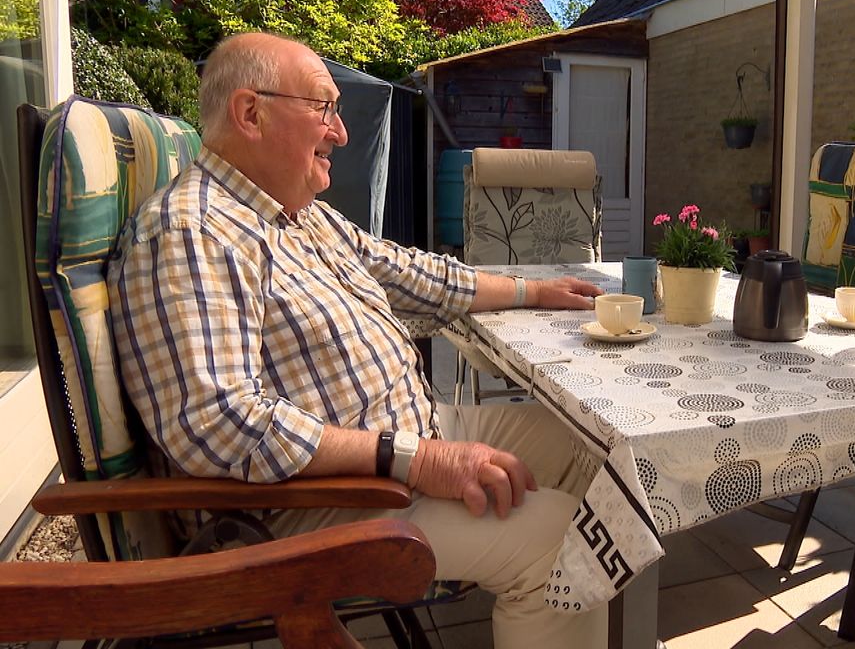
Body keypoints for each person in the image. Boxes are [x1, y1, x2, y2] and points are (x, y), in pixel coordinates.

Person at [107, 32, 608, 649]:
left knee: (593, 444)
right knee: (558, 542)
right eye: (324, 108)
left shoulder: (297, 215)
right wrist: (415, 459)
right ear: (250, 112)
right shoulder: (192, 233)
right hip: (304, 506)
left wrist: (532, 291)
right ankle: (545, 599)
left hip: (406, 442)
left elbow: (410, 273)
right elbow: (218, 422)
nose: (340, 132)